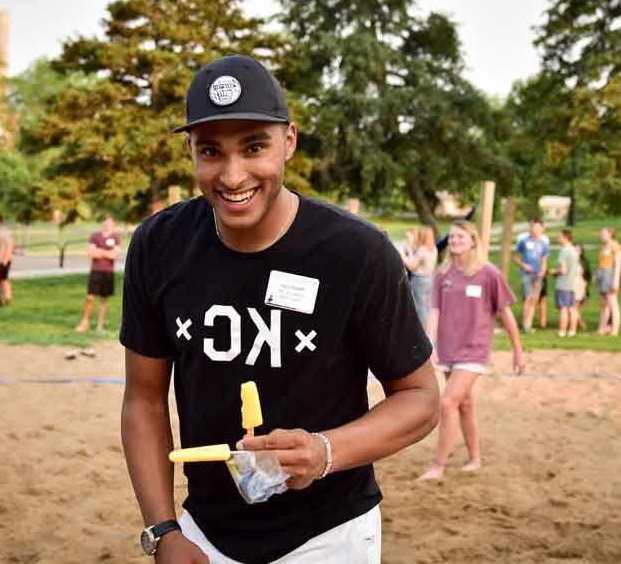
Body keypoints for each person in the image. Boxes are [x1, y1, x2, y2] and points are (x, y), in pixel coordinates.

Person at [120, 55, 439, 563]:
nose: (232, 174)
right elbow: (143, 399)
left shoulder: (355, 253)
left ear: (288, 140)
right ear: (190, 152)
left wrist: (324, 452)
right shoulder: (159, 244)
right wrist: (163, 529)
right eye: (210, 151)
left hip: (328, 534)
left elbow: (422, 398)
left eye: (253, 147)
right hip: (202, 531)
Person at [417, 221, 524, 480]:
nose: (454, 240)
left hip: (474, 351)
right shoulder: (443, 274)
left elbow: (506, 315)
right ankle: (475, 458)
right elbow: (435, 311)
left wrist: (517, 351)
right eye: (452, 236)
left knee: (448, 402)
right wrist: (429, 344)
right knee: (464, 404)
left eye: (460, 236)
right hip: (447, 349)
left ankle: (438, 466)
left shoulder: (489, 273)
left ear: (473, 241)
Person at [75, 214, 121, 333]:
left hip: (108, 272)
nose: (107, 225)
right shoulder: (95, 236)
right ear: (102, 223)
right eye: (105, 222)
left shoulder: (115, 237)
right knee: (89, 297)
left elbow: (115, 255)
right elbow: (91, 253)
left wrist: (100, 251)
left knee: (103, 299)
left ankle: (99, 326)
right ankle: (84, 322)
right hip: (96, 271)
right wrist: (106, 253)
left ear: (113, 224)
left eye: (110, 222)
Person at [514, 217, 549, 334]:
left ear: (542, 229)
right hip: (526, 275)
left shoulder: (544, 243)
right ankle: (524, 325)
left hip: (538, 275)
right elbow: (515, 257)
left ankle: (529, 324)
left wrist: (542, 272)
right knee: (527, 298)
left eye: (538, 227)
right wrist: (523, 265)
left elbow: (544, 261)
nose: (535, 229)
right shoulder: (523, 241)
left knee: (534, 299)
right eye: (533, 227)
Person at [400, 225, 437, 324]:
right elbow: (416, 259)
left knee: (419, 307)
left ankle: (421, 329)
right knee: (426, 305)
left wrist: (402, 254)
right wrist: (410, 249)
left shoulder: (422, 250)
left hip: (419, 280)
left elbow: (411, 266)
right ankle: (428, 326)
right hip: (429, 278)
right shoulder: (433, 249)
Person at [550, 229, 580, 338]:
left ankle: (562, 331)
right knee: (572, 308)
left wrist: (554, 271)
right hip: (572, 284)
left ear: (565, 237)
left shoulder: (564, 251)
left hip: (563, 284)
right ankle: (572, 331)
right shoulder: (574, 250)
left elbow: (563, 270)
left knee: (563, 308)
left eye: (559, 236)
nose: (557, 238)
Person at [596, 226, 621, 336]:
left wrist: (615, 280)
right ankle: (602, 328)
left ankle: (615, 329)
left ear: (610, 234)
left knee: (612, 302)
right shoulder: (604, 247)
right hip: (602, 274)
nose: (601, 235)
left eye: (603, 234)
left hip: (610, 275)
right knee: (604, 303)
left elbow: (618, 265)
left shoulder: (616, 247)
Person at [0, 213, 14, 306]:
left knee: (4, 280)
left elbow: (10, 245)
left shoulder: (4, 231)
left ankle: (8, 299)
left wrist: (5, 258)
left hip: (3, 259)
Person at [573, 242, 591, 332]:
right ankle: (577, 324)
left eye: (578, 250)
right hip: (571, 286)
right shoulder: (570, 261)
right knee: (573, 307)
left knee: (574, 307)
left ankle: (578, 324)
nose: (576, 252)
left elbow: (588, 276)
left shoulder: (583, 262)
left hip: (579, 287)